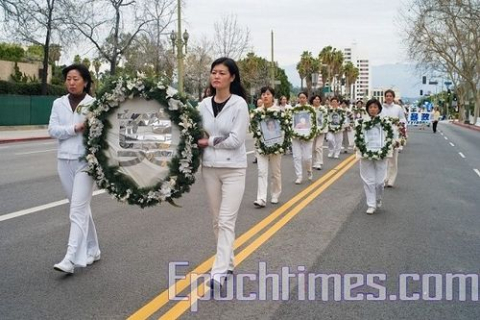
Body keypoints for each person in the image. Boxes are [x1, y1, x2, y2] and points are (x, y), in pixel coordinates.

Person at [197, 57, 249, 288]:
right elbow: (193, 132)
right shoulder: (202, 105)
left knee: (227, 220)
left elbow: (236, 140)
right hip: (209, 169)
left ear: (232, 77)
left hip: (234, 169)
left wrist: (210, 142)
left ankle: (218, 272)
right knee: (217, 221)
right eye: (213, 72)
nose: (216, 76)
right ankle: (228, 261)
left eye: (221, 73)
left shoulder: (239, 104)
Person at [49, 64, 100, 274]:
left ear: (85, 82)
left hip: (85, 162)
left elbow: (100, 132)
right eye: (68, 78)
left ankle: (70, 259)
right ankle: (94, 249)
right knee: (80, 208)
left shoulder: (94, 104)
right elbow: (52, 130)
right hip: (64, 161)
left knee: (76, 211)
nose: (71, 82)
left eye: (76, 79)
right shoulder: (58, 103)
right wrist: (74, 128)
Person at [356, 99, 391, 215]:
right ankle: (371, 204)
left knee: (380, 182)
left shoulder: (385, 123)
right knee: (368, 180)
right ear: (367, 109)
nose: (373, 109)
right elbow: (357, 138)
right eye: (370, 107)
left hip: (381, 154)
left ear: (379, 109)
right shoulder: (360, 123)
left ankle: (378, 197)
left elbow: (391, 138)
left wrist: (389, 147)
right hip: (366, 155)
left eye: (375, 107)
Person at [253, 86, 283, 207]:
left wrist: (280, 144)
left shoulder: (279, 111)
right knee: (261, 171)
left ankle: (275, 194)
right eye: (263, 94)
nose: (265, 96)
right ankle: (261, 198)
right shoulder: (257, 112)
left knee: (275, 172)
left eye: (268, 94)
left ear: (272, 97)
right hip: (261, 146)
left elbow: (284, 129)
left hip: (276, 146)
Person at [381, 89, 407, 187]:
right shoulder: (381, 108)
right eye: (387, 96)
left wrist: (402, 133)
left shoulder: (398, 108)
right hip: (383, 136)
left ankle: (391, 180)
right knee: (384, 159)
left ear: (393, 97)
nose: (388, 97)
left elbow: (403, 120)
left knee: (393, 160)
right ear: (385, 97)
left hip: (395, 135)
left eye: (390, 96)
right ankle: (384, 178)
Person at [291, 91, 314, 184]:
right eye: (300, 97)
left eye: (303, 97)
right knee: (296, 156)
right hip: (296, 136)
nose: (302, 99)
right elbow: (291, 122)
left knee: (307, 158)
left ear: (307, 98)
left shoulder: (310, 110)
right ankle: (299, 176)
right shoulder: (294, 109)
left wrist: (311, 133)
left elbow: (313, 123)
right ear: (298, 98)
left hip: (307, 136)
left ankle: (309, 170)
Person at [310, 95, 327, 170]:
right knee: (313, 147)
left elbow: (325, 120)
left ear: (320, 101)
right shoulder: (310, 109)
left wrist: (321, 129)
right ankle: (315, 162)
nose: (316, 100)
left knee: (318, 147)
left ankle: (319, 162)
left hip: (321, 130)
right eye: (315, 99)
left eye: (318, 99)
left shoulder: (323, 109)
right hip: (312, 130)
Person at [252, 98, 264, 164]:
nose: (259, 103)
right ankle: (256, 157)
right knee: (256, 143)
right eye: (258, 102)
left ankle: (265, 155)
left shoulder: (265, 110)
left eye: (260, 102)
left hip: (263, 130)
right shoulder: (255, 111)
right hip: (256, 130)